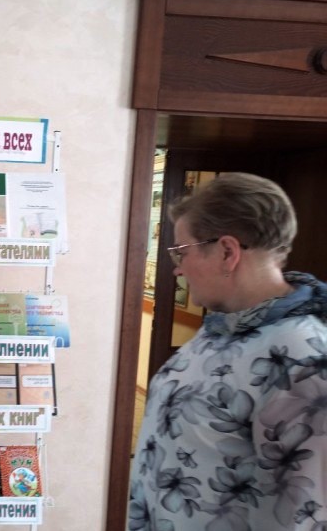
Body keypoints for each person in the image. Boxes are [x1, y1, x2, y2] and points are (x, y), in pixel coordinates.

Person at [128, 173, 327, 530]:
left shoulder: (304, 360)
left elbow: (307, 515)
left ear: (227, 252)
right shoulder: (223, 327)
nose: (177, 268)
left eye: (182, 252)